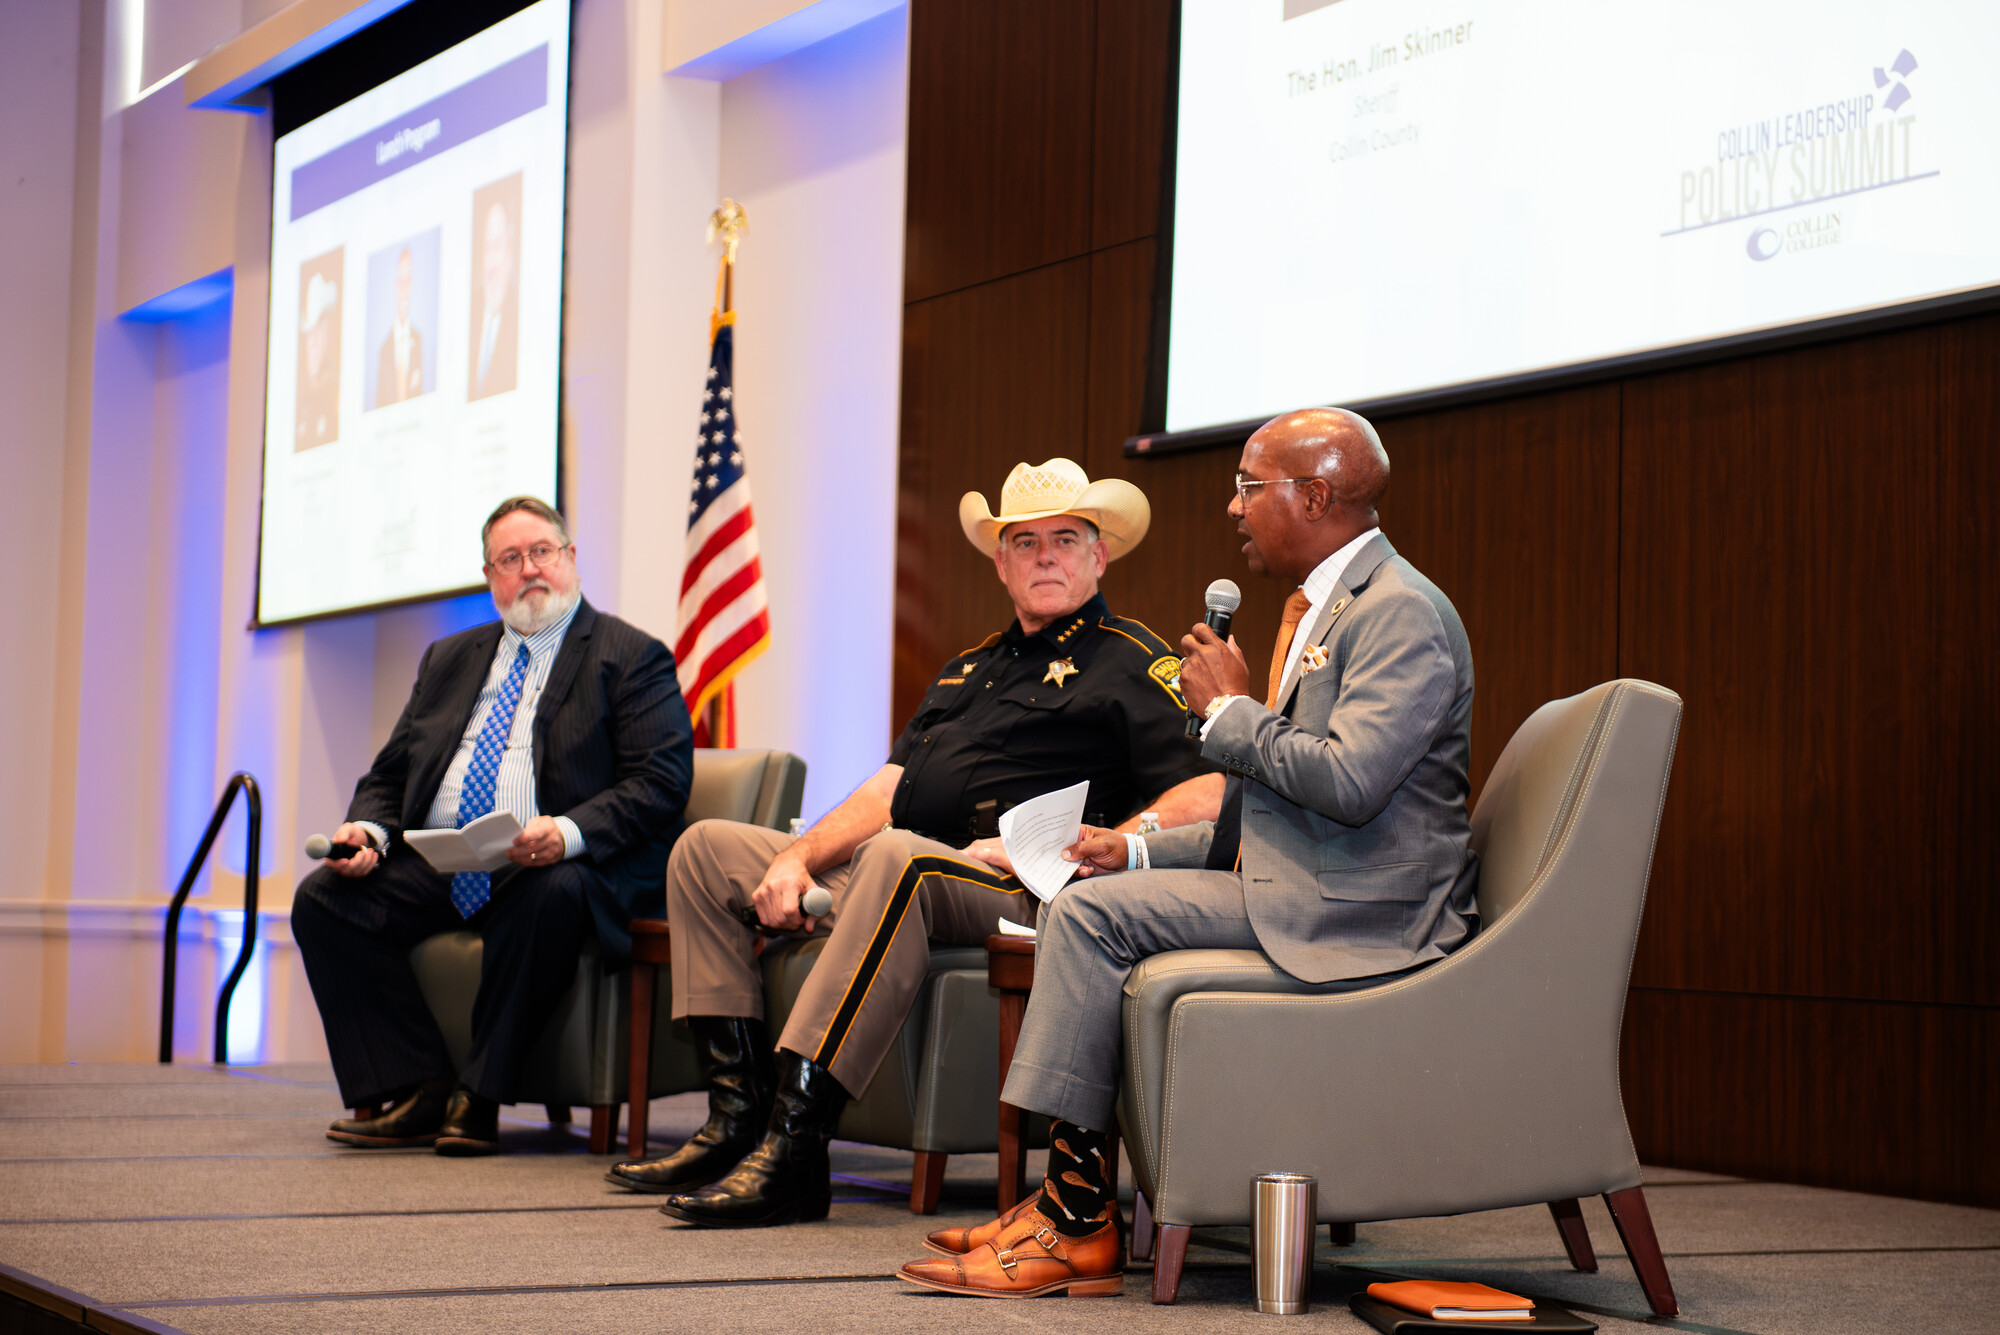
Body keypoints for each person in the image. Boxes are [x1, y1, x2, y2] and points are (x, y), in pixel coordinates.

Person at [899, 408, 1480, 1298]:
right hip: (1308, 879)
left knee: (1085, 918)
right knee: (1089, 889)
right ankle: (1068, 1202)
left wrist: (1228, 713)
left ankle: (1077, 1217)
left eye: (1251, 486)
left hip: (1360, 906)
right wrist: (1127, 854)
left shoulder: (1400, 612)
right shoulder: (1325, 607)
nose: (1233, 506)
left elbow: (1351, 784)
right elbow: (1268, 816)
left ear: (1316, 494)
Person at [614, 458, 1221, 1228]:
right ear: (999, 562)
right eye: (1024, 542)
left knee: (902, 856)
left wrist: (1107, 842)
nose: (1044, 556)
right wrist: (796, 856)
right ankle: (734, 1114)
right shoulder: (966, 669)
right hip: (916, 866)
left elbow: (1209, 790)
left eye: (1064, 540)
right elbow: (886, 789)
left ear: (1099, 557)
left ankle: (795, 1141)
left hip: (1034, 887)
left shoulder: (1135, 658)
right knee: (706, 849)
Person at [292, 497, 694, 1156]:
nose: (529, 569)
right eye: (511, 558)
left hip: (551, 863)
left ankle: (479, 1094)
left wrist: (565, 830)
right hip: (445, 861)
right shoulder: (449, 657)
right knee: (325, 900)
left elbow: (660, 782)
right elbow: (393, 771)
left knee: (553, 889)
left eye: (542, 551)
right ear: (490, 576)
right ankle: (420, 1085)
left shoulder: (630, 655)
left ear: (570, 559)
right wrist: (369, 830)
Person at [469, 198, 518, 400]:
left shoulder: (519, 317)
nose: (493, 265)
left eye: (498, 247)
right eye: (488, 248)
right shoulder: (470, 315)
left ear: (509, 252)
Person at [295, 266, 340, 449]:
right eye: (309, 333)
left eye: (319, 330)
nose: (313, 344)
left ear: (328, 331)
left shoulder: (335, 394)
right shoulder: (298, 399)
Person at [374, 246, 425, 407]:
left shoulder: (419, 340)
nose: (404, 289)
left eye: (407, 281)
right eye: (400, 282)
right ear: (395, 286)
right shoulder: (384, 351)